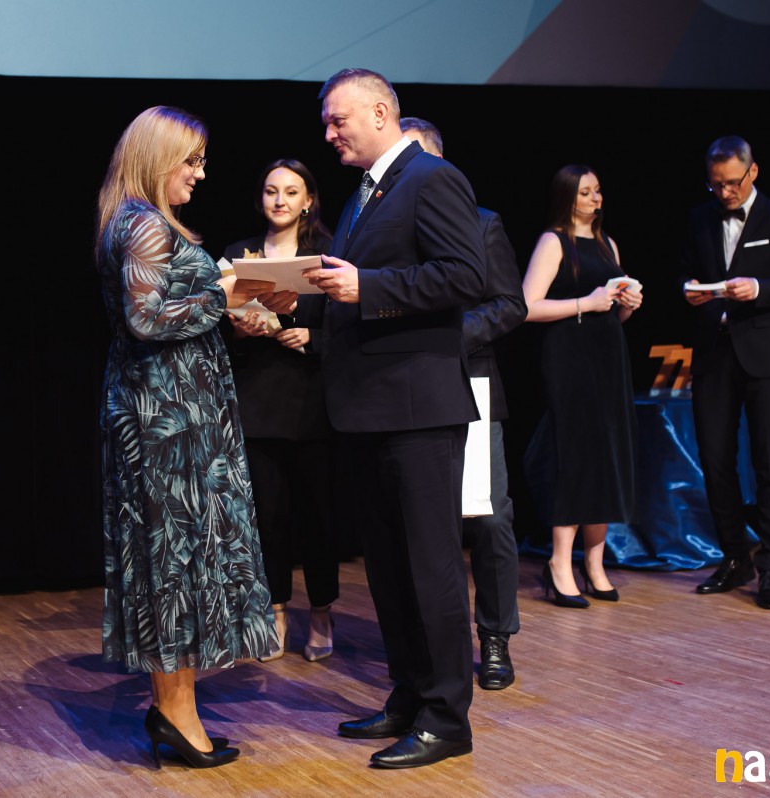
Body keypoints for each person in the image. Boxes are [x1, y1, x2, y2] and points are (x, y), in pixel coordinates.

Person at [287, 68, 486, 769]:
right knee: (391, 570)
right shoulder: (366, 193)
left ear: (379, 112)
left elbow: (467, 276)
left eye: (337, 120)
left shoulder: (432, 178)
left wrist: (366, 286)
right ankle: (409, 695)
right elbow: (346, 292)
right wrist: (290, 301)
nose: (329, 133)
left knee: (430, 567)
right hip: (370, 410)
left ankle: (447, 718)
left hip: (418, 409)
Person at [95, 106, 277, 769]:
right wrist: (226, 295)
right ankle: (176, 714)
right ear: (157, 158)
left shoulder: (136, 220)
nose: (200, 174)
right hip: (165, 419)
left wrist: (233, 306)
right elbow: (146, 319)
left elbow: (167, 313)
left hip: (168, 409)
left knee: (171, 558)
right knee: (171, 560)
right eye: (191, 161)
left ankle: (172, 709)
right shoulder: (144, 223)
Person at [399, 117, 526, 690]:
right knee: (425, 524)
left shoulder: (481, 222)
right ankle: (428, 645)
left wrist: (446, 336)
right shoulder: (385, 226)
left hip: (470, 380)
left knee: (490, 516)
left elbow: (509, 304)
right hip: (406, 388)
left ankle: (495, 636)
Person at [679, 135, 770, 610]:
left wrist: (759, 288)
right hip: (714, 354)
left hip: (767, 356)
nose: (725, 193)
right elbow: (687, 271)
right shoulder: (700, 217)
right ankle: (735, 556)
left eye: (732, 183)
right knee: (715, 459)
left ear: (753, 172)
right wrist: (689, 290)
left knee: (769, 461)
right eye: (716, 185)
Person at [219, 158, 338, 662]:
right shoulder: (238, 253)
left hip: (312, 403)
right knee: (266, 515)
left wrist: (314, 336)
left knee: (318, 516)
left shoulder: (328, 253)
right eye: (271, 191)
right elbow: (219, 324)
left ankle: (322, 612)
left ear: (308, 200)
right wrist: (238, 328)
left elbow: (349, 327)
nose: (280, 200)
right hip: (258, 401)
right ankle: (276, 611)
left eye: (291, 192)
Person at [521, 165, 641, 609]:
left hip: (609, 360)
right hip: (569, 361)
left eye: (598, 190)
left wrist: (627, 305)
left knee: (606, 457)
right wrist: (586, 303)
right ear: (568, 197)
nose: (596, 198)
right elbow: (526, 306)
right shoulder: (554, 242)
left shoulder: (608, 243)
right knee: (574, 456)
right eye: (587, 192)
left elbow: (612, 313)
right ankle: (559, 563)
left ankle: (594, 564)